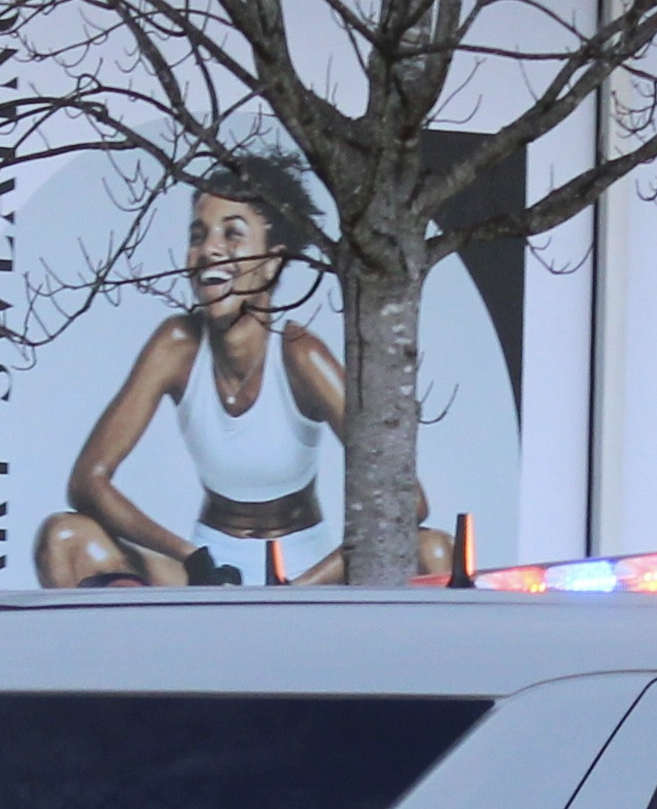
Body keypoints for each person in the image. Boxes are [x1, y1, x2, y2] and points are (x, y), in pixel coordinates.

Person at [34, 159, 446, 589]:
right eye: (199, 235)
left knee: (432, 550)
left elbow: (408, 501)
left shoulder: (299, 354)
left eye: (232, 234)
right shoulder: (177, 344)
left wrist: (299, 588)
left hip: (305, 574)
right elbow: (87, 482)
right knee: (63, 538)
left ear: (272, 261)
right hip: (210, 569)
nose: (210, 250)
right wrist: (191, 556)